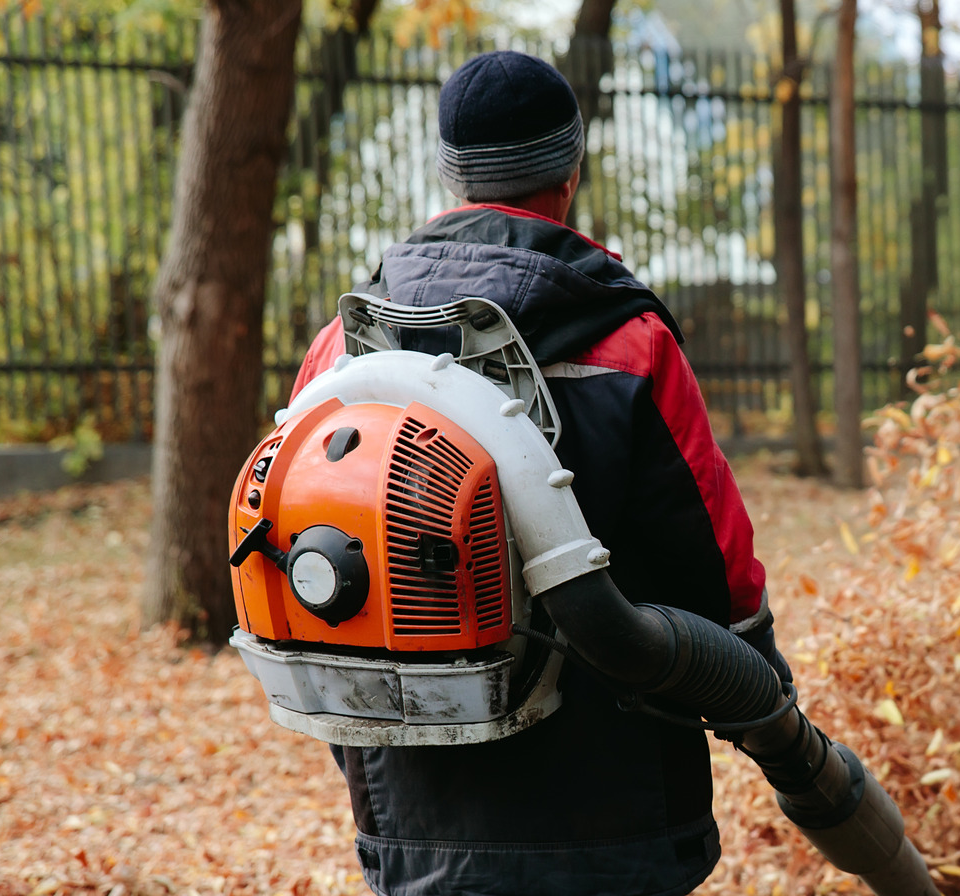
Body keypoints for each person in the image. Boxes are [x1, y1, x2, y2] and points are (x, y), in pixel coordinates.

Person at [289, 50, 789, 896]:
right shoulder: (629, 344)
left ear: (452, 177)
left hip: (415, 811)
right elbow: (712, 563)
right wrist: (763, 684)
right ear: (571, 171)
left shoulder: (343, 349)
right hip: (618, 808)